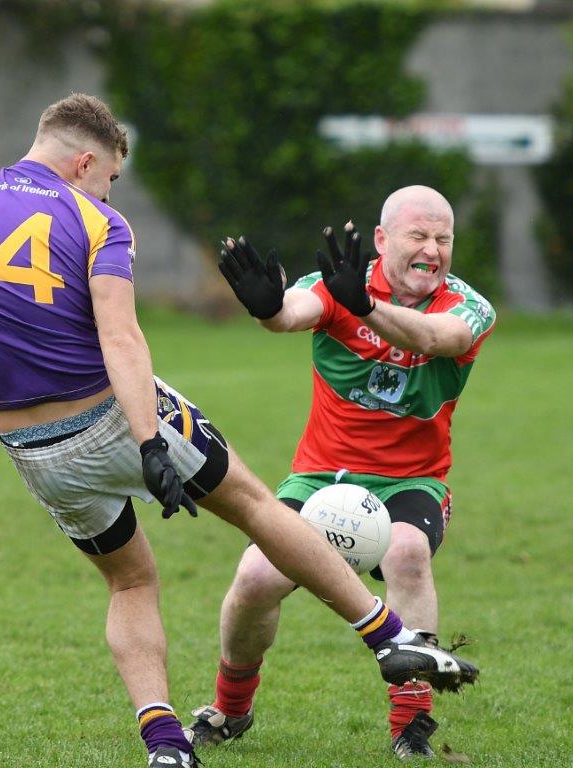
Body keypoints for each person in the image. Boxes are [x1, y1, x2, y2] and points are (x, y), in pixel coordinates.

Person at [0, 96, 478, 768]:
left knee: (129, 581)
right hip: (111, 413)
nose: (110, 189)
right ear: (86, 162)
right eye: (111, 176)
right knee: (255, 507)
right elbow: (121, 337)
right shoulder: (99, 221)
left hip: (33, 450)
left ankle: (166, 745)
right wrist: (150, 442)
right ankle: (387, 637)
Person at [188, 186, 495, 760]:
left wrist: (367, 308)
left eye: (443, 239)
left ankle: (412, 721)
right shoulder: (339, 283)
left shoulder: (468, 306)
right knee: (254, 581)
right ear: (382, 240)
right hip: (321, 480)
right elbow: (291, 313)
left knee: (406, 553)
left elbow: (436, 338)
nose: (432, 249)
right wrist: (268, 307)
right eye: (418, 236)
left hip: (413, 481)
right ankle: (230, 710)